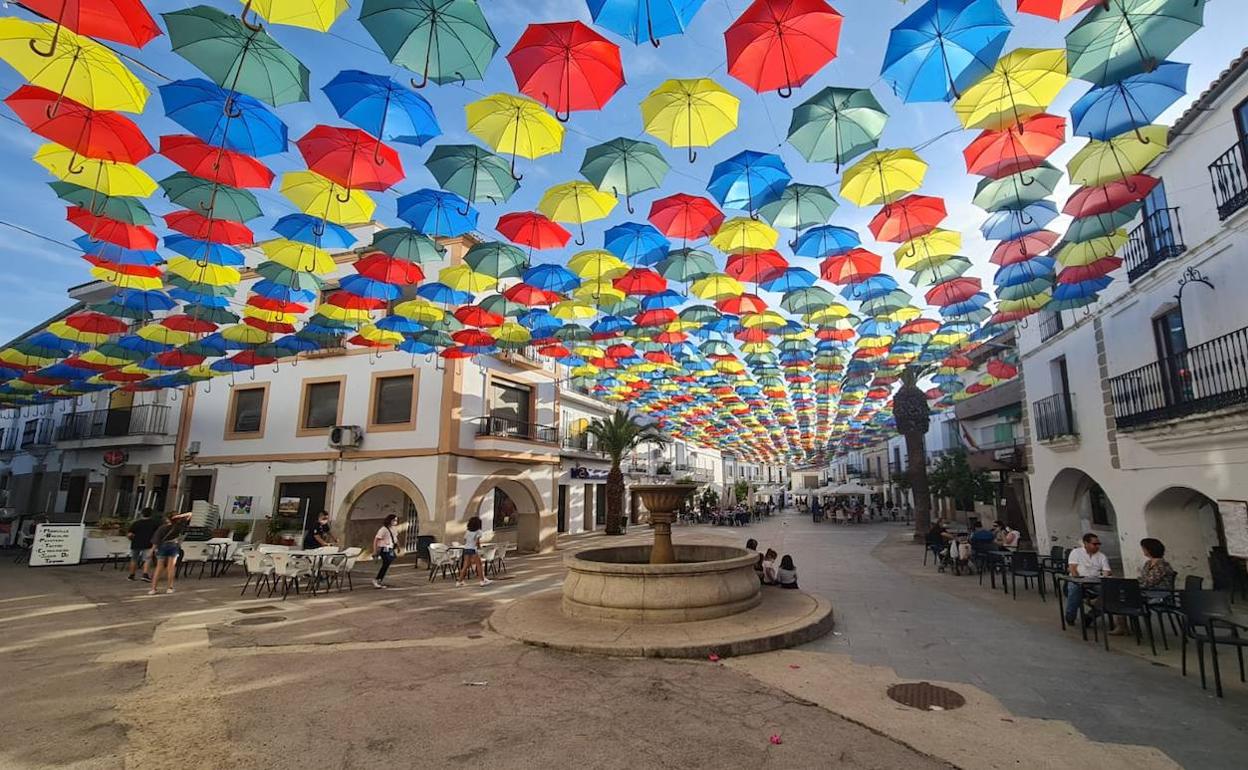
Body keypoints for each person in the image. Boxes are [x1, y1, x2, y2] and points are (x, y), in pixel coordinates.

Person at [1064, 532, 1112, 626]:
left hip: (1095, 581)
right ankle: (1070, 616)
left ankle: (1090, 616)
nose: (1097, 546)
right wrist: (1079, 581)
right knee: (1075, 590)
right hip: (1077, 580)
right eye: (1095, 544)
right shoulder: (1076, 552)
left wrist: (1106, 578)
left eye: (1099, 544)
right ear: (1086, 543)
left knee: (1109, 593)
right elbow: (1073, 569)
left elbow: (1107, 571)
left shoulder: (1102, 556)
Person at [147, 512, 192, 595]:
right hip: (173, 546)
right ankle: (169, 588)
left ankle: (153, 589)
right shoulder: (178, 526)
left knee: (159, 568)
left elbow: (156, 540)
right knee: (171, 568)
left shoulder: (162, 528)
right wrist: (180, 516)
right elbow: (190, 514)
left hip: (162, 546)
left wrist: (151, 550)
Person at [456, 515, 491, 588]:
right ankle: (482, 580)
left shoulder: (468, 531)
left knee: (465, 566)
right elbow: (477, 542)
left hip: (466, 549)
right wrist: (479, 548)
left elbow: (465, 540)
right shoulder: (478, 532)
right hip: (473, 549)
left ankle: (459, 581)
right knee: (479, 565)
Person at [126, 508, 160, 582]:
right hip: (148, 543)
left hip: (136, 543)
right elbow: (157, 534)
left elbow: (130, 534)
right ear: (151, 514)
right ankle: (145, 575)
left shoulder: (136, 523)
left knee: (134, 559)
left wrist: (132, 539)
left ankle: (131, 575)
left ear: (142, 514)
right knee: (147, 559)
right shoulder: (155, 523)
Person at [372, 514, 400, 589]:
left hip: (390, 548)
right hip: (384, 548)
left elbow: (395, 538)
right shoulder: (383, 529)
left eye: (396, 520)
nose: (396, 522)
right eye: (394, 520)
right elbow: (376, 539)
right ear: (390, 520)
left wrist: (398, 546)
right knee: (386, 562)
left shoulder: (394, 529)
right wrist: (375, 550)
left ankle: (379, 579)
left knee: (387, 563)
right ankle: (377, 579)